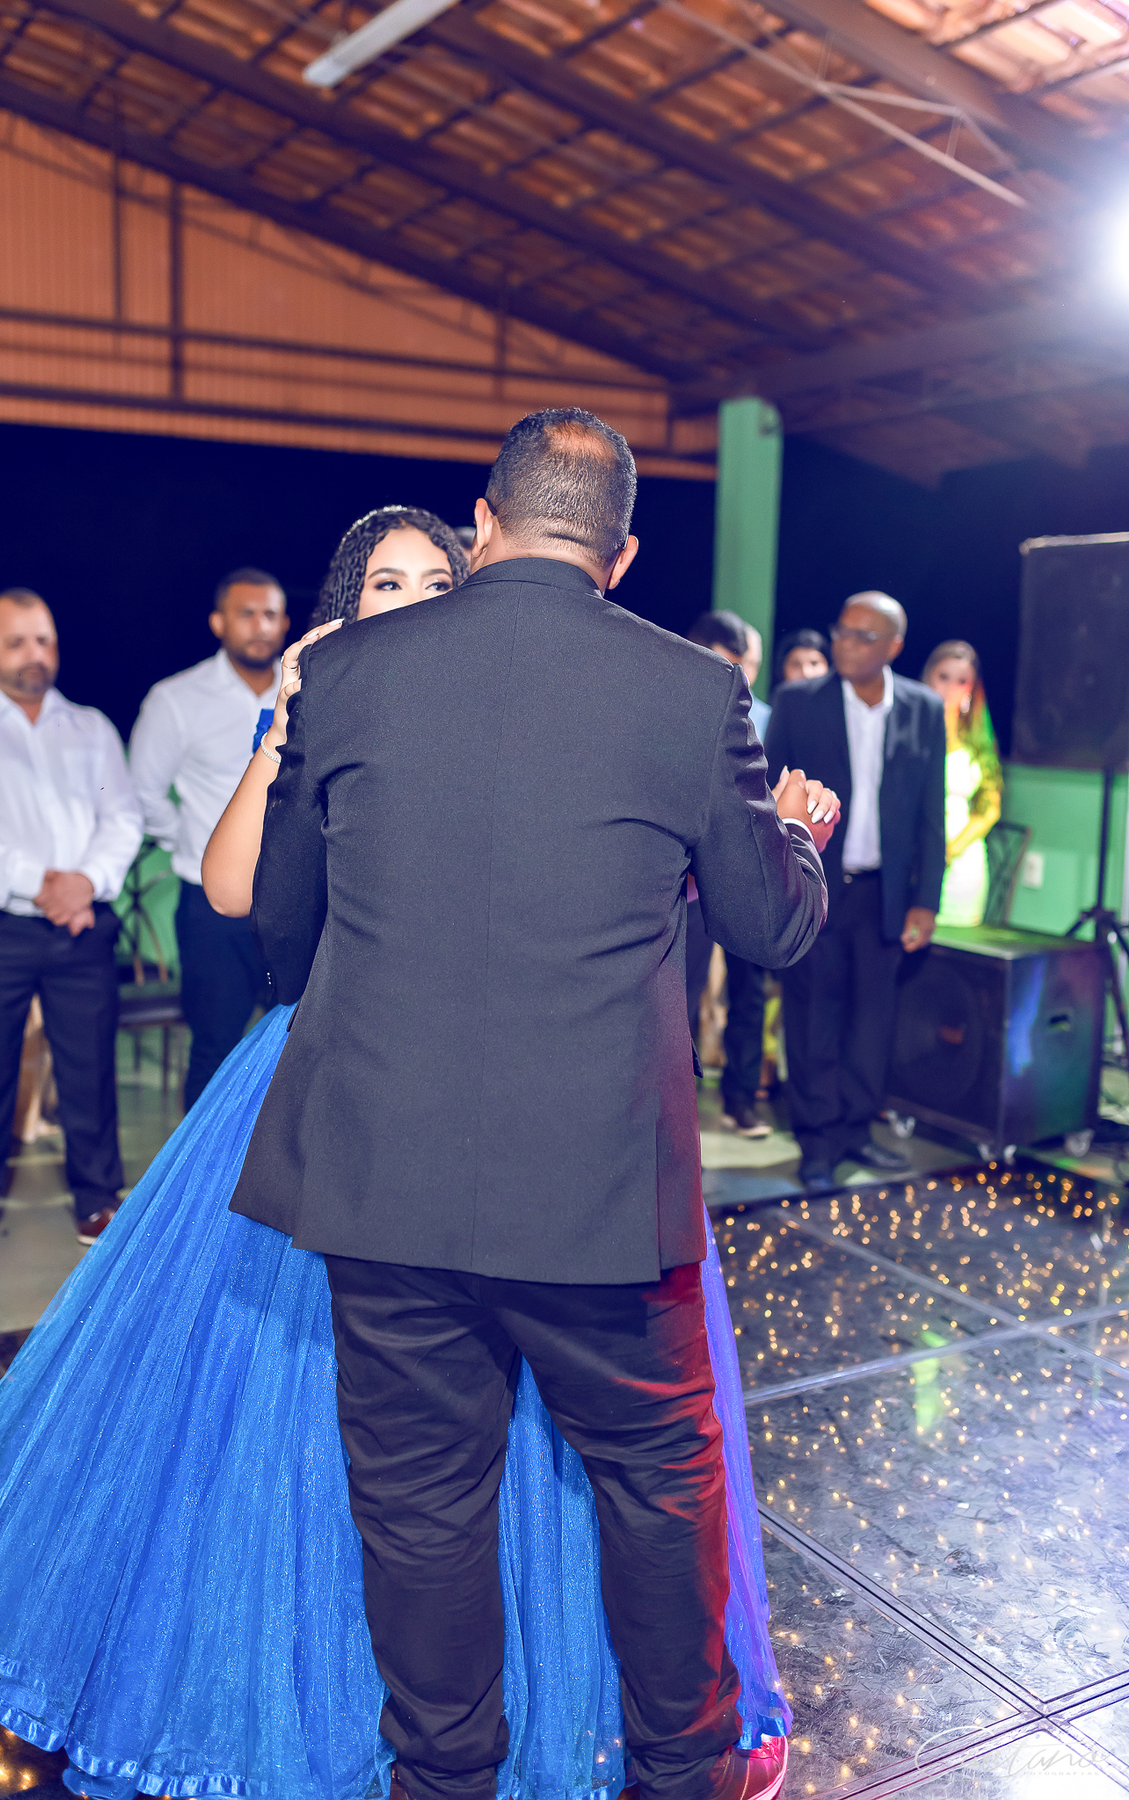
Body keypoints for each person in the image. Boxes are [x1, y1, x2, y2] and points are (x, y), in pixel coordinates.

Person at [0, 500, 811, 1800]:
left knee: (484, 1467)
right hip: (343, 1086)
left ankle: (498, 1738)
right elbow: (242, 895)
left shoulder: (498, 703)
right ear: (347, 601)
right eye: (387, 584)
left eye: (435, 579)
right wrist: (287, 726)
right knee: (337, 1451)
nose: (412, 601)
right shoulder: (331, 696)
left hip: (502, 1121)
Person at [231, 408, 839, 1800]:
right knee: (658, 1485)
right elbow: (769, 929)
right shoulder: (695, 691)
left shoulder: (347, 675)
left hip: (384, 1186)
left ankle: (443, 1779)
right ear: (619, 556)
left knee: (420, 1511)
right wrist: (801, 839)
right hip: (599, 1203)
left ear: (483, 522)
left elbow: (281, 930)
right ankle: (683, 1771)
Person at [0, 588, 142, 1286]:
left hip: (82, 927)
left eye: (44, 639)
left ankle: (97, 1201)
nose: (35, 654)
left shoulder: (91, 727)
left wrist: (86, 883)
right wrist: (47, 885)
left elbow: (123, 819)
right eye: (16, 641)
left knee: (90, 1072)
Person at [765, 590, 946, 1195]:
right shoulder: (799, 702)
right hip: (814, 888)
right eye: (840, 630)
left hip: (884, 894)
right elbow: (764, 797)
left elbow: (932, 814)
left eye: (861, 635)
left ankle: (855, 1130)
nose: (843, 643)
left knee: (873, 1022)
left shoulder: (923, 708)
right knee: (813, 1018)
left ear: (894, 647)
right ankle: (817, 1141)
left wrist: (927, 901)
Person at [128, 567, 288, 1108]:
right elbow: (144, 794)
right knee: (216, 1050)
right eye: (247, 614)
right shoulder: (177, 698)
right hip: (213, 911)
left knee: (295, 1049)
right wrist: (197, 847)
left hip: (291, 899)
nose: (261, 625)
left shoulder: (308, 687)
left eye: (271, 614)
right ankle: (200, 1166)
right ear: (219, 622)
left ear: (285, 622)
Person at [683, 612, 772, 1137]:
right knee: (679, 992)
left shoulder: (768, 716)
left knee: (747, 990)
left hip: (741, 874)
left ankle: (738, 1100)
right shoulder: (673, 704)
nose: (740, 676)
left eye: (749, 665)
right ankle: (677, 1107)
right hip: (683, 883)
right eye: (729, 663)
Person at [921, 641, 1002, 928]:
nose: (950, 688)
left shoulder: (978, 738)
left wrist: (952, 849)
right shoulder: (909, 732)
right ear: (928, 677)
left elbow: (989, 808)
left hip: (963, 859)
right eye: (943, 677)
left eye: (962, 681)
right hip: (918, 857)